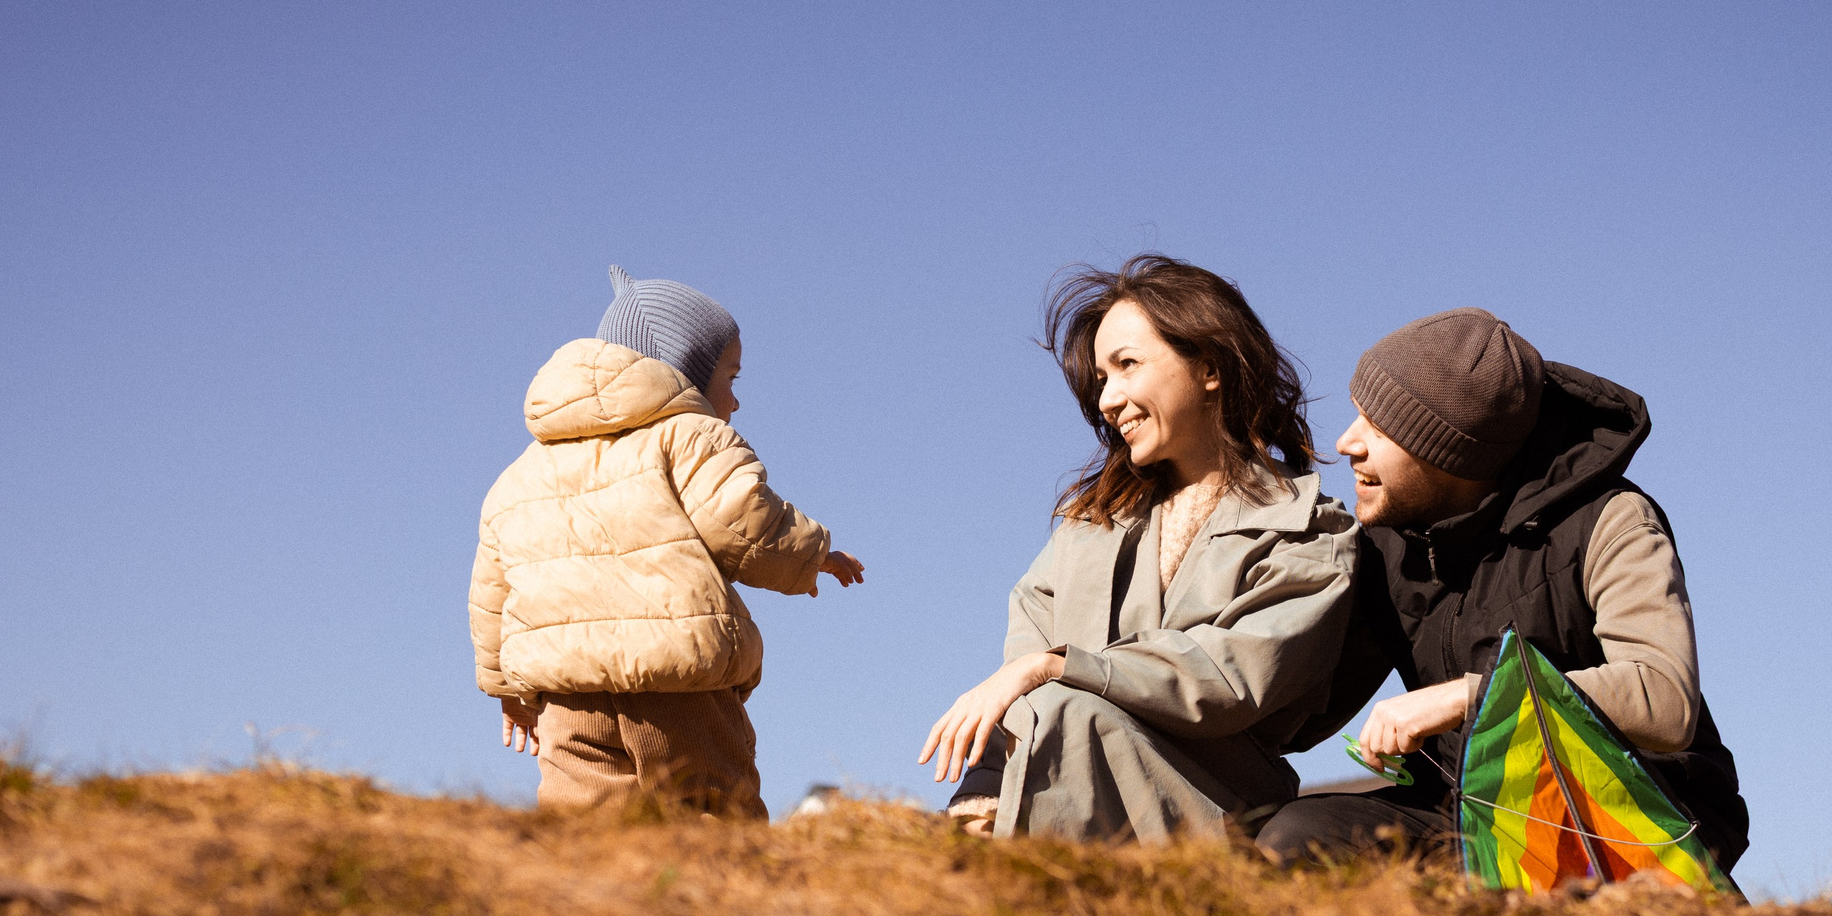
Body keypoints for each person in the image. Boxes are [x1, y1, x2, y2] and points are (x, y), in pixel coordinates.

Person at [1256, 308, 1748, 873]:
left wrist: (1463, 698)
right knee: (1296, 839)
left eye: (1379, 427)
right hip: (1465, 812)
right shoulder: (1386, 546)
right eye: (1355, 415)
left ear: (1449, 451)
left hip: (1628, 813)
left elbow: (1664, 700)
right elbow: (1303, 714)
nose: (1346, 443)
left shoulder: (1611, 520)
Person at [921, 256, 1358, 842]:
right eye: (1102, 377)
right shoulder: (1087, 525)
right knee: (1058, 721)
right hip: (1060, 780)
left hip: (1217, 809)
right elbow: (1029, 658)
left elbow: (1230, 679)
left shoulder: (1308, 531)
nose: (1108, 398)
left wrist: (1059, 664)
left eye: (1127, 365)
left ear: (1209, 367)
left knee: (1072, 715)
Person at [469, 267, 864, 816]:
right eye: (732, 376)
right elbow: (741, 519)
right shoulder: (689, 435)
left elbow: (493, 591)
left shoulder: (520, 475)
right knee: (713, 814)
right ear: (686, 372)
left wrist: (507, 689)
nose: (736, 399)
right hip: (678, 685)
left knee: (582, 827)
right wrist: (813, 553)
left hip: (568, 698)